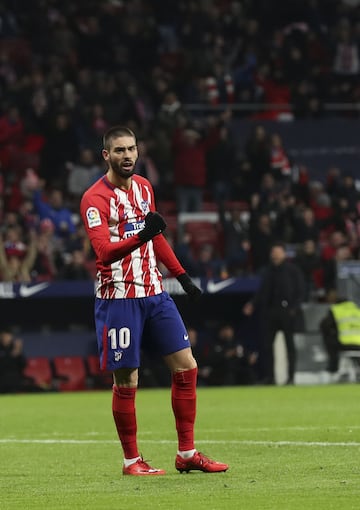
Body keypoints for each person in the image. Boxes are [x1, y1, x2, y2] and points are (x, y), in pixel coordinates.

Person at [80, 125, 228, 476]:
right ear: (106, 155)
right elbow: (103, 252)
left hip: (155, 293)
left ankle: (187, 453)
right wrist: (143, 235)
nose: (127, 155)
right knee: (127, 382)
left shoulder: (145, 187)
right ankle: (132, 461)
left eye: (131, 149)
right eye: (119, 150)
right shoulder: (94, 198)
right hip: (119, 298)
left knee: (187, 366)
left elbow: (156, 236)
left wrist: (181, 276)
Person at [243, 242, 305, 385]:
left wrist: (294, 308)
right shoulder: (267, 272)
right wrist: (252, 303)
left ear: (284, 254)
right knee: (267, 346)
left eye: (278, 252)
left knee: (290, 346)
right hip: (270, 312)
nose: (275, 255)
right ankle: (270, 377)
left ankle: (291, 377)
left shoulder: (293, 270)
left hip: (287, 312)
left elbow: (301, 291)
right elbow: (262, 292)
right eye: (273, 252)